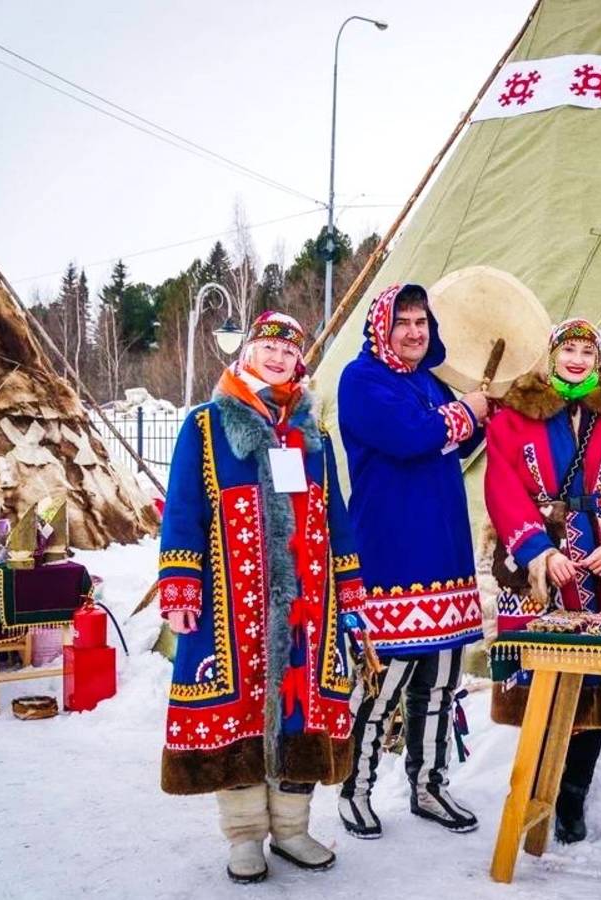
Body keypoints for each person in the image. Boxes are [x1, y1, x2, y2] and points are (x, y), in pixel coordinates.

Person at [157, 311, 367, 884]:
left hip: (306, 602)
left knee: (300, 706)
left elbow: (335, 515)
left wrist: (349, 589)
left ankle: (293, 829)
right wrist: (180, 585)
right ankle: (245, 834)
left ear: (299, 362)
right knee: (239, 709)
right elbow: (182, 511)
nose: (277, 357)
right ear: (247, 352)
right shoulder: (205, 424)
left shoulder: (312, 434)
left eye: (288, 350)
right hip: (231, 600)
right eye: (267, 347)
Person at [485, 317, 601, 844]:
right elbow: (502, 485)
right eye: (569, 349)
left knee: (595, 680)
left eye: (588, 350)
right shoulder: (514, 419)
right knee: (545, 681)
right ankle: (539, 785)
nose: (578, 359)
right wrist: (538, 552)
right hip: (540, 566)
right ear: (552, 355)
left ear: (600, 357)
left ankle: (574, 797)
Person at [334, 283, 490, 838]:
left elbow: (449, 446)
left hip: (445, 552)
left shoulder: (427, 380)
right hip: (392, 556)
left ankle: (428, 785)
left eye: (423, 322)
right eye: (404, 322)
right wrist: (466, 414)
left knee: (443, 683)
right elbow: (407, 436)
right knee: (385, 681)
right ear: (383, 327)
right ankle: (355, 788)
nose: (415, 331)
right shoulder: (361, 379)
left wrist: (479, 423)